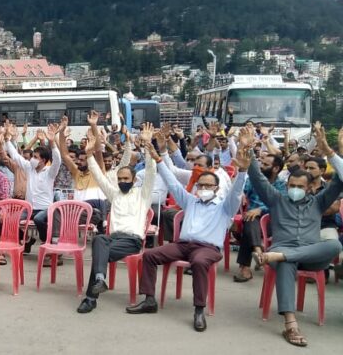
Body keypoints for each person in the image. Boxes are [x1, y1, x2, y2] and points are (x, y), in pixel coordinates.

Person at [126, 136, 248, 333]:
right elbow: (173, 183)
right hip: (183, 245)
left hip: (208, 249)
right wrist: (158, 159)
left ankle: (199, 310)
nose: (205, 188)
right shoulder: (191, 201)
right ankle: (149, 299)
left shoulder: (225, 207)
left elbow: (235, 193)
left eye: (209, 185)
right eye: (201, 185)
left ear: (217, 189)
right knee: (149, 255)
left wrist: (242, 171)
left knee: (199, 262)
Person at [249, 125, 343, 347]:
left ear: (310, 187)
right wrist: (250, 152)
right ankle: (291, 324)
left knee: (334, 246)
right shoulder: (277, 200)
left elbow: (340, 179)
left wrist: (333, 150)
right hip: (284, 253)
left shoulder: (319, 201)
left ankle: (281, 256)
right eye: (291, 185)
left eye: (300, 186)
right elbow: (258, 179)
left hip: (312, 255)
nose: (294, 189)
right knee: (286, 263)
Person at [78, 123, 156, 313]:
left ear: (134, 180)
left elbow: (151, 172)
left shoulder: (142, 195)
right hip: (112, 239)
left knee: (98, 254)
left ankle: (91, 298)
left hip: (131, 241)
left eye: (126, 179)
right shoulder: (114, 194)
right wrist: (89, 155)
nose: (122, 182)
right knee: (99, 240)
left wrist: (147, 146)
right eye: (120, 179)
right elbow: (99, 176)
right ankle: (99, 279)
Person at [5, 122, 62, 255]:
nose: (32, 159)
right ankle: (26, 239)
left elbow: (58, 160)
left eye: (35, 157)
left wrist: (52, 142)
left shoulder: (50, 172)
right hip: (29, 209)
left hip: (45, 209)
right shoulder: (29, 168)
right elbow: (15, 156)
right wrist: (8, 139)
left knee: (38, 220)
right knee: (12, 219)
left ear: (43, 160)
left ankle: (45, 241)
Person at [233, 153, 285, 282]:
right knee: (250, 222)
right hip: (251, 220)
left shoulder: (282, 185)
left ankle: (245, 267)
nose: (261, 166)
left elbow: (281, 204)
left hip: (272, 222)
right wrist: (242, 194)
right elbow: (241, 190)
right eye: (261, 163)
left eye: (266, 164)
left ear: (276, 169)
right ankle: (258, 251)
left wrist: (261, 210)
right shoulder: (252, 181)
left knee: (250, 223)